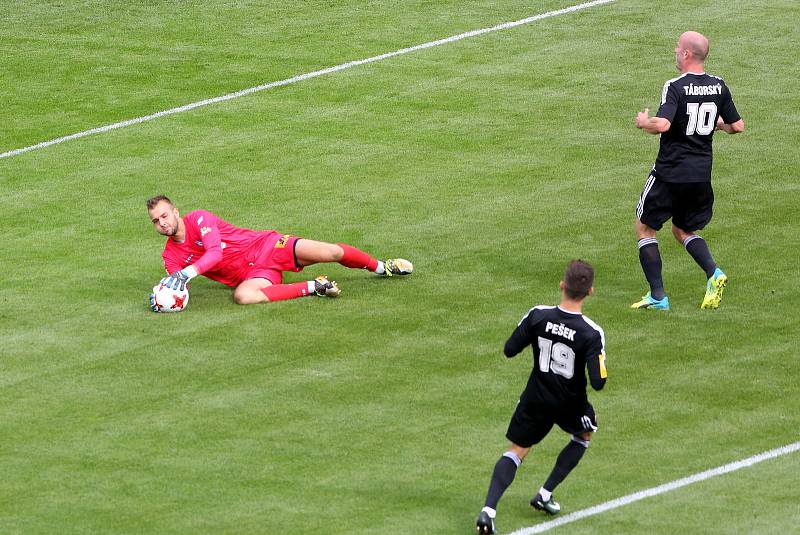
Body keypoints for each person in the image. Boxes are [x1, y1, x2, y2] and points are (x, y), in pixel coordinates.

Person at [475, 260, 607, 534]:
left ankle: (488, 511)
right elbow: (598, 382)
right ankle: (545, 494)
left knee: (517, 451)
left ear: (562, 285)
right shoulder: (591, 333)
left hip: (536, 396)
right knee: (583, 435)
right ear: (590, 291)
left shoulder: (538, 315)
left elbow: (510, 349)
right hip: (570, 403)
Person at [632, 31, 744, 311]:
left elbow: (664, 125)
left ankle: (658, 296)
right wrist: (718, 125)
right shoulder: (719, 85)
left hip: (670, 172)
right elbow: (738, 126)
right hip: (700, 174)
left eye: (677, 48)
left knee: (645, 228)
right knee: (683, 229)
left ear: (686, 54)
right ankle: (714, 273)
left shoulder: (675, 86)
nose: (674, 51)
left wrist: (644, 122)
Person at [146, 195, 412, 310]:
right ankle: (314, 287)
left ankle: (382, 266)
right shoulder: (170, 257)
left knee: (331, 252)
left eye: (165, 216)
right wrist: (163, 298)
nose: (163, 223)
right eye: (156, 221)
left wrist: (186, 274)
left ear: (176, 212)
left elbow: (214, 254)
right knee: (243, 296)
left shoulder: (199, 219)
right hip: (255, 275)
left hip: (268, 247)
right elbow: (178, 288)